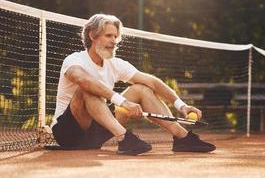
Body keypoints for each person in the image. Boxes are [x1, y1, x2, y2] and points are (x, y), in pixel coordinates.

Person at [50, 14, 216, 155]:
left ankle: (182, 138)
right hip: (68, 133)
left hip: (96, 133)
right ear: (92, 35)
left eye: (116, 36)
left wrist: (182, 106)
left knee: (142, 89)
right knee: (86, 89)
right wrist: (123, 102)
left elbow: (151, 81)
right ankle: (124, 139)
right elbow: (83, 80)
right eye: (108, 36)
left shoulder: (114, 63)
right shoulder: (74, 60)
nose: (114, 41)